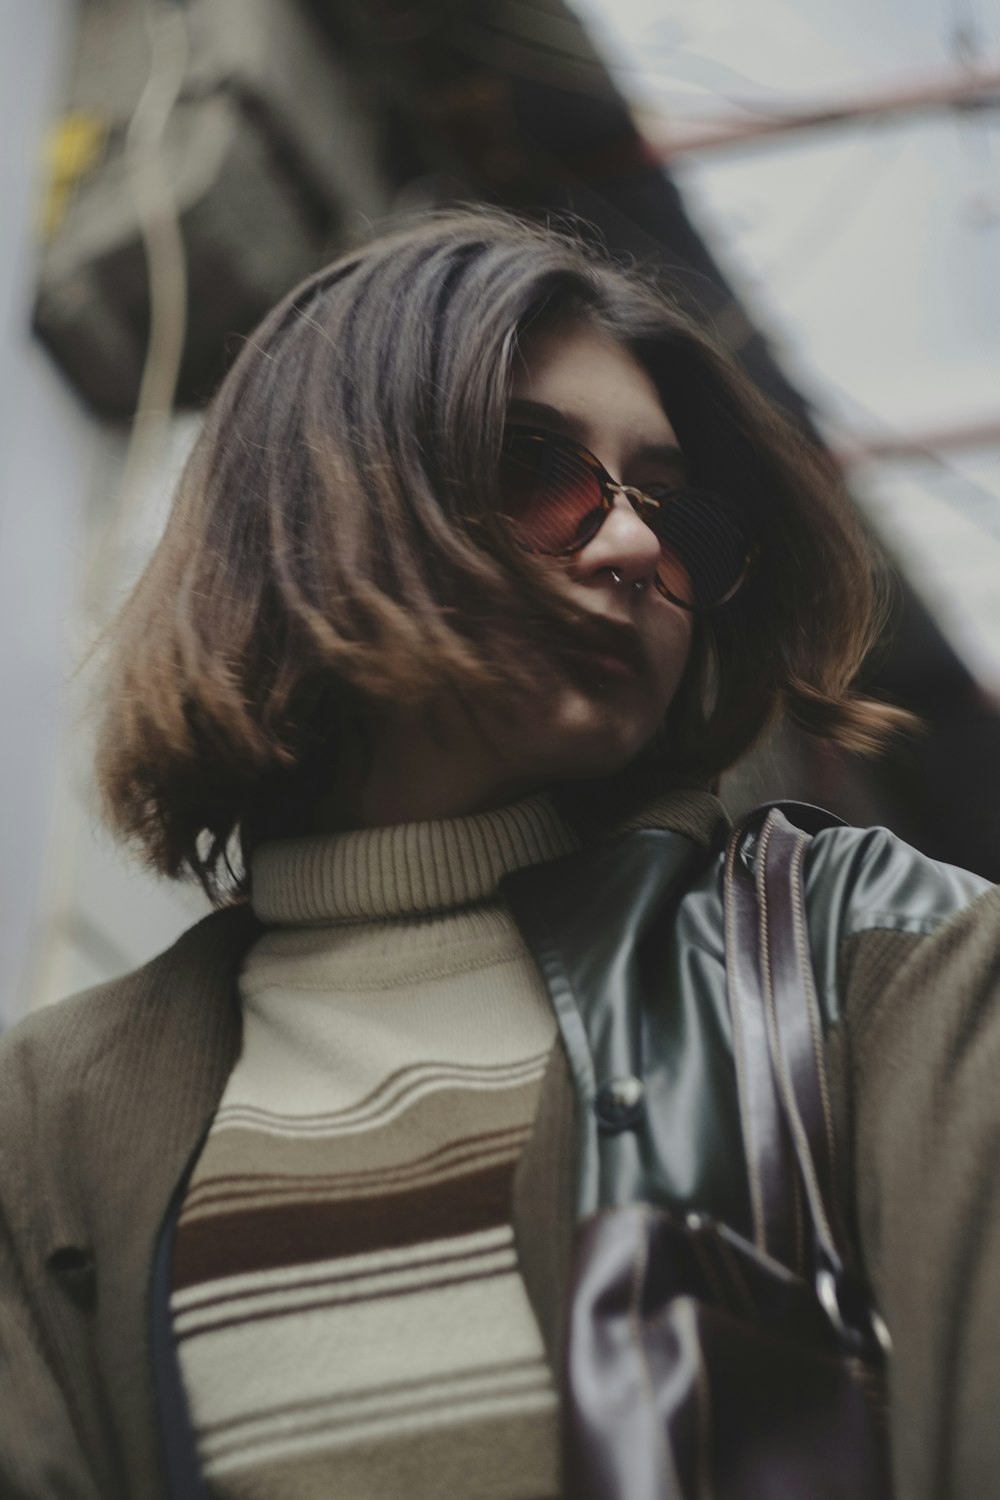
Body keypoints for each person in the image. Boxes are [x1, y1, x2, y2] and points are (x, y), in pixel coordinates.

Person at [1, 208, 998, 1500]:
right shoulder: (50, 1126)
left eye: (676, 518)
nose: (636, 546)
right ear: (313, 506)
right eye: (537, 470)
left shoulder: (878, 965)